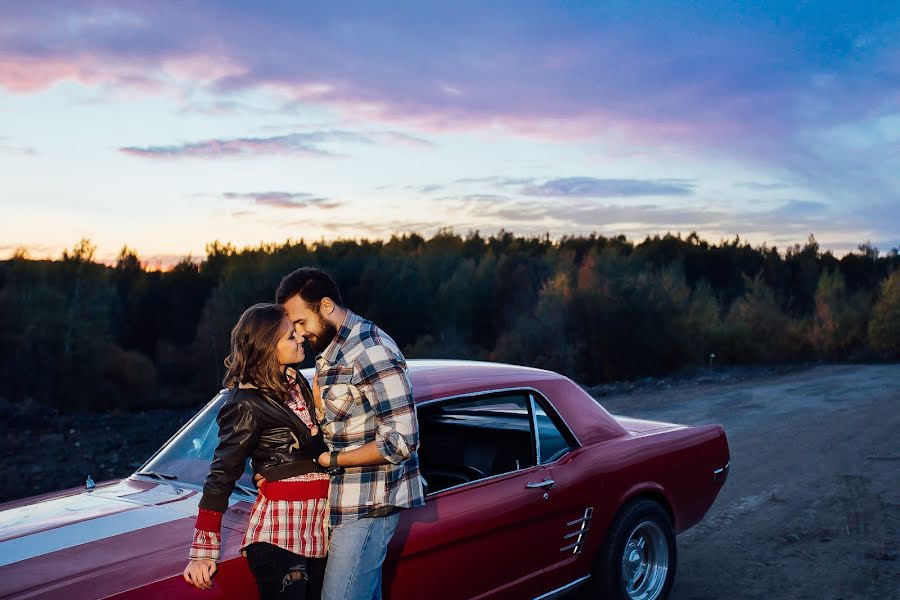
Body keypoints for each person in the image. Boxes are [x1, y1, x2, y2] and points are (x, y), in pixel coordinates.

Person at [273, 267, 425, 600]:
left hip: (370, 505)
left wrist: (335, 459)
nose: (298, 334)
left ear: (325, 306)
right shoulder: (330, 352)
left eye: (300, 322)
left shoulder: (370, 348)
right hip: (343, 502)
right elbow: (336, 428)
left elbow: (402, 440)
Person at [183, 303, 330, 599]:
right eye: (290, 336)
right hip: (279, 534)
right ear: (266, 348)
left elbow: (314, 450)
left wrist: (320, 405)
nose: (300, 337)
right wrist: (203, 551)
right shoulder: (245, 402)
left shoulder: (297, 382)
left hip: (316, 530)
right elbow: (222, 473)